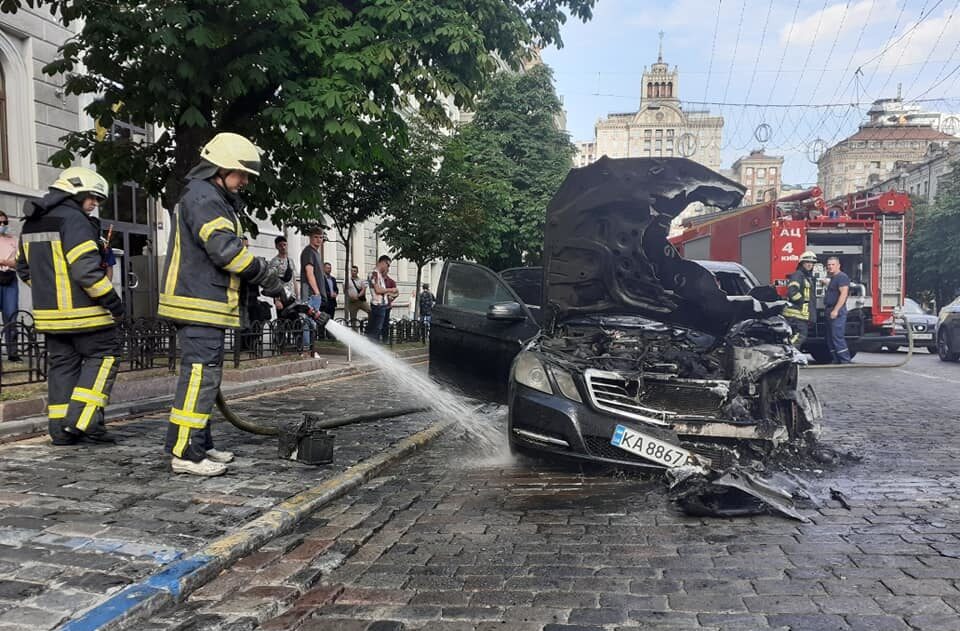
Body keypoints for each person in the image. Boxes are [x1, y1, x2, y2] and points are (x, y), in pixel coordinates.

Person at [157, 132, 302, 476]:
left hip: (206, 302)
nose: (245, 181)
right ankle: (186, 454)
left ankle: (199, 443)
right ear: (219, 169)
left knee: (205, 378)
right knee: (198, 378)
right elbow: (227, 253)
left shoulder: (210, 196)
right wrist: (269, 279)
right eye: (241, 174)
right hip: (198, 302)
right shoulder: (205, 198)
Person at [16, 167, 123, 445]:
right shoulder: (75, 220)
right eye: (92, 198)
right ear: (75, 193)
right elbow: (86, 272)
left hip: (50, 318)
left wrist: (51, 295)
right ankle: (81, 421)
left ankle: (60, 431)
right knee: (105, 357)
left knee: (63, 368)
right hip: (86, 315)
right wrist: (112, 301)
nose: (94, 205)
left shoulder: (31, 223)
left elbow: (24, 270)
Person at [783, 251, 817, 349]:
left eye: (812, 263)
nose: (810, 264)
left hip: (801, 315)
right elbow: (792, 292)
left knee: (799, 336)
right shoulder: (798, 275)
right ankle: (789, 353)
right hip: (797, 314)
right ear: (802, 263)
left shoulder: (807, 277)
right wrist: (802, 302)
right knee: (800, 336)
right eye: (807, 262)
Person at [822, 256, 852, 364]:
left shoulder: (842, 277)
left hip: (837, 311)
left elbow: (843, 294)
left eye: (832, 264)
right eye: (828, 265)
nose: (830, 267)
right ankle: (836, 359)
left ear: (839, 266)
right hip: (829, 310)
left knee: (837, 336)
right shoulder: (834, 278)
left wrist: (836, 310)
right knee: (830, 338)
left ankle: (845, 360)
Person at [300, 228, 328, 341]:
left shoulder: (316, 253)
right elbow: (309, 273)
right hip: (311, 293)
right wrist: (317, 292)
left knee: (311, 323)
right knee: (308, 322)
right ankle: (307, 349)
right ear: (310, 238)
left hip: (314, 293)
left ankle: (310, 348)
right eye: (316, 237)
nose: (318, 240)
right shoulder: (309, 252)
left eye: (321, 237)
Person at [0, 210, 20, 362]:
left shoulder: (14, 240)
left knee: (11, 315)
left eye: (4, 222)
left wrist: (4, 262)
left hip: (10, 279)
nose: (2, 225)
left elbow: (19, 262)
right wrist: (8, 261)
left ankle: (13, 352)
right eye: (0, 222)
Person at [367, 255, 398, 342]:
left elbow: (382, 291)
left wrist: (390, 294)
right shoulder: (374, 274)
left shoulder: (379, 275)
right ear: (383, 262)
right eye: (388, 265)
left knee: (377, 329)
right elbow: (378, 290)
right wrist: (391, 289)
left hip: (381, 305)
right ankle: (372, 348)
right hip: (378, 305)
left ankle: (372, 346)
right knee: (376, 329)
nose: (388, 268)